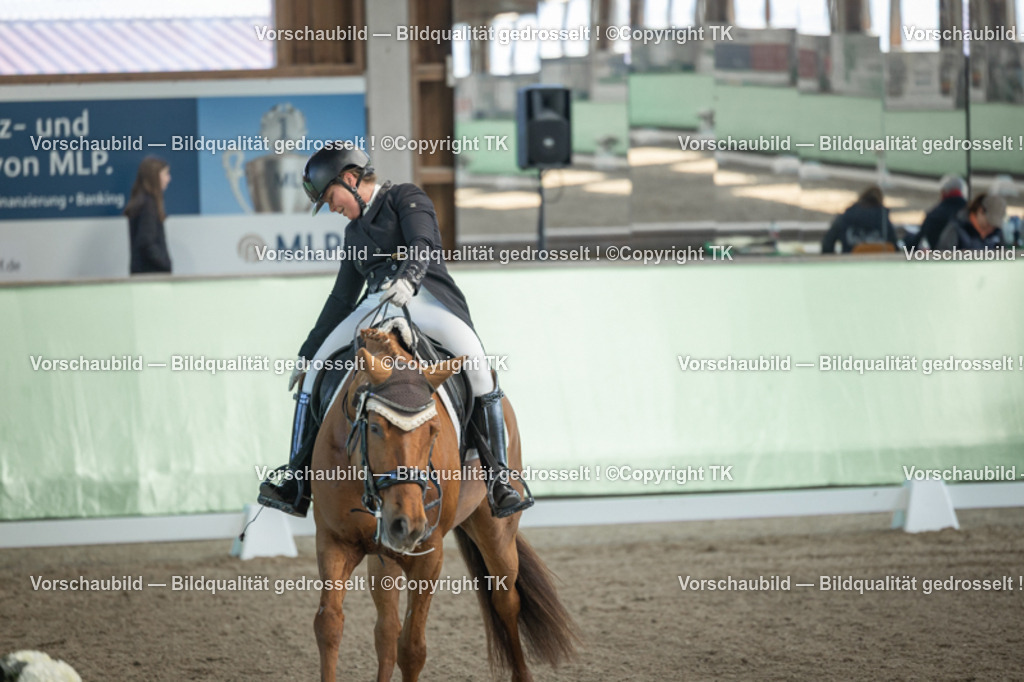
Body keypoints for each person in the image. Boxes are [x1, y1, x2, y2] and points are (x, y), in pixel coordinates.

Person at [258, 147, 532, 519]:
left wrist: (409, 278)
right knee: (315, 372)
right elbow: (341, 298)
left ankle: (500, 478)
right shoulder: (354, 233)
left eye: (330, 197)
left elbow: (423, 243)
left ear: (350, 180)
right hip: (375, 307)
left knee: (480, 368)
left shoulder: (406, 196)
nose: (332, 208)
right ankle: (296, 479)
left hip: (428, 301)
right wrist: (308, 353)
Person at [124, 156, 173, 274]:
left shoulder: (142, 202)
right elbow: (146, 242)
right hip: (151, 275)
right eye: (165, 174)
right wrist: (165, 264)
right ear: (155, 176)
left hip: (143, 274)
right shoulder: (148, 205)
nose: (169, 178)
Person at [820, 185, 898, 254]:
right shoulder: (884, 221)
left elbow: (827, 245)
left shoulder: (845, 218)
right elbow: (894, 246)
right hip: (880, 265)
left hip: (850, 264)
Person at [904, 175, 968, 250]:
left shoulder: (934, 215)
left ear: (943, 192)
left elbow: (916, 242)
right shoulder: (969, 213)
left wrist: (907, 238)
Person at [936, 193, 1007, 251]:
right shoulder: (955, 231)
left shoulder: (997, 233)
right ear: (980, 210)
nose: (992, 227)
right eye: (989, 221)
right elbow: (942, 260)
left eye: (995, 223)